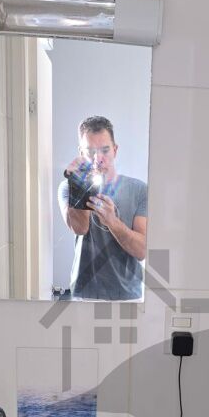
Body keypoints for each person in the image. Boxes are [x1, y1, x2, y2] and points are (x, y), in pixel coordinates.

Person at [58, 116, 148, 301]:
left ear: (115, 150)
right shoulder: (68, 188)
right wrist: (79, 185)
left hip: (128, 297)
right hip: (84, 294)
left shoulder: (139, 190)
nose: (98, 159)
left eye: (105, 150)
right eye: (90, 152)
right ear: (81, 153)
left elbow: (142, 251)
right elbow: (80, 228)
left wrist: (112, 221)